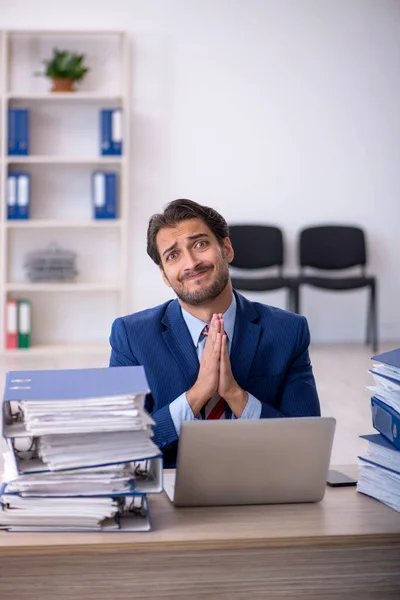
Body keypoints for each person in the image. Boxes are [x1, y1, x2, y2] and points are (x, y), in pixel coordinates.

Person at [109, 199, 321, 467]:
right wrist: (196, 396)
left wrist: (236, 396)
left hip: (262, 485)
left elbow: (306, 442)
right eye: (173, 255)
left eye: (200, 244)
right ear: (164, 274)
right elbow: (120, 444)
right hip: (170, 495)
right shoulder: (131, 336)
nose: (191, 263)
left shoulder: (288, 331)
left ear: (227, 249)